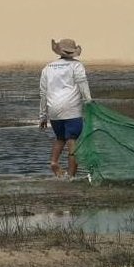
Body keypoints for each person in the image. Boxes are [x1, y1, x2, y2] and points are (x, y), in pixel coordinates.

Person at [39, 39, 92, 179]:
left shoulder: (48, 67)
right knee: (72, 140)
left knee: (60, 138)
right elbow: (82, 83)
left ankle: (53, 162)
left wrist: (43, 116)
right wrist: (89, 101)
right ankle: (71, 177)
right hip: (72, 110)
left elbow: (43, 93)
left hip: (53, 110)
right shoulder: (76, 65)